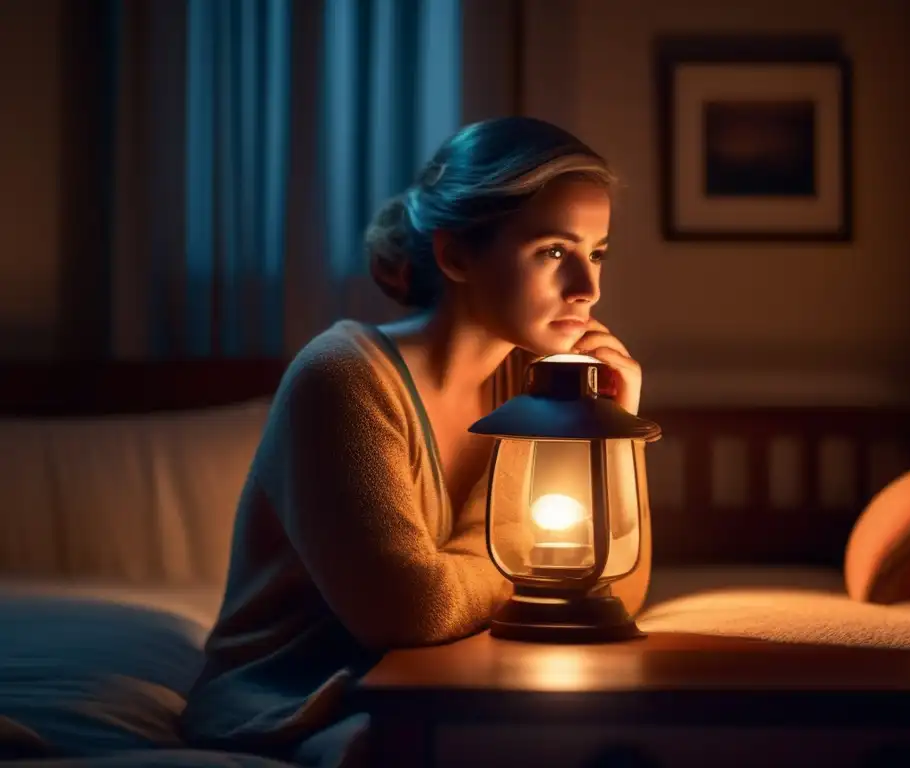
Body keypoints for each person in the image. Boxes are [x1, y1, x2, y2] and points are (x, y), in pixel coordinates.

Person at [180, 116, 650, 767]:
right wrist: (537, 565)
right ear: (456, 254)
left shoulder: (549, 386)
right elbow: (410, 610)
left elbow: (618, 592)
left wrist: (616, 433)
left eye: (595, 253)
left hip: (454, 684)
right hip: (299, 702)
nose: (588, 288)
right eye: (552, 252)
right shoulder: (341, 375)